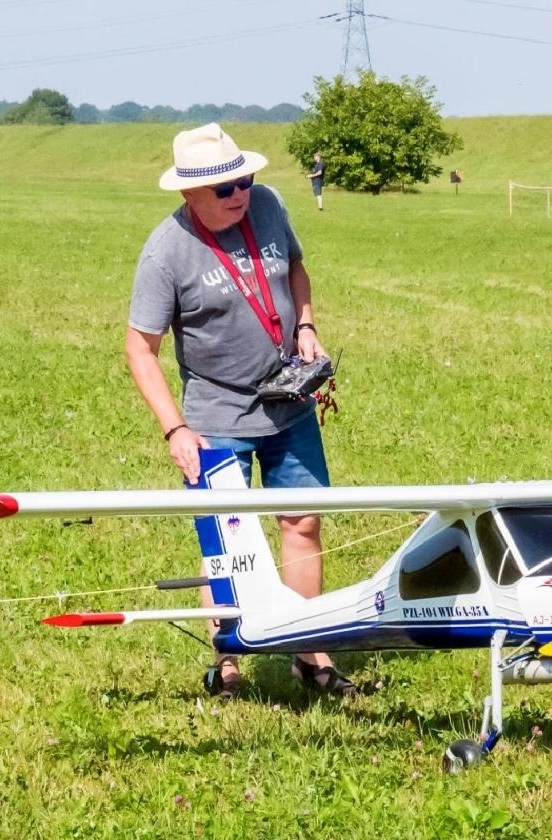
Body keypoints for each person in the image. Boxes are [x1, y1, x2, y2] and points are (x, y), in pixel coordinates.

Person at [126, 123, 354, 699]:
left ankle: (308, 651)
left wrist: (306, 325)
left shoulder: (269, 205)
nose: (240, 194)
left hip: (289, 406)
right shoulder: (165, 252)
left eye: (245, 180)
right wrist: (175, 429)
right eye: (225, 188)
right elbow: (140, 349)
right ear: (189, 192)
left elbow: (296, 268)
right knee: (226, 542)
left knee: (302, 523)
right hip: (215, 417)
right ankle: (228, 658)